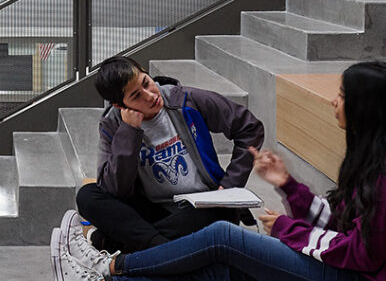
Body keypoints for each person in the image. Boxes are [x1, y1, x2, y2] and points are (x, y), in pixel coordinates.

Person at [53, 59, 386, 281]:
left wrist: (289, 230)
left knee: (224, 237)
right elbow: (346, 221)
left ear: (367, 108)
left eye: (341, 95)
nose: (332, 101)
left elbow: (362, 252)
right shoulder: (380, 155)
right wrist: (288, 186)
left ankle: (109, 264)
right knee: (220, 274)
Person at [54, 57, 263, 262]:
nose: (149, 95)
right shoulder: (113, 125)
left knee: (220, 218)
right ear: (120, 105)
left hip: (202, 209)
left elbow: (249, 128)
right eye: (136, 96)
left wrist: (229, 184)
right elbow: (114, 190)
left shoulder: (185, 100)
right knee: (88, 196)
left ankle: (118, 245)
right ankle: (167, 252)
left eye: (146, 83)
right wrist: (129, 131)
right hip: (154, 210)